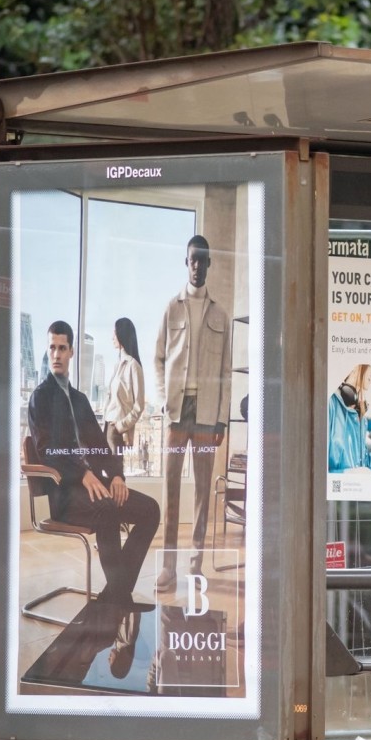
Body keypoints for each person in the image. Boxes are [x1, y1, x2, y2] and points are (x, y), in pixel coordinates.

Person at [29, 320, 160, 603]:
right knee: (106, 510)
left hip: (94, 484)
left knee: (151, 510)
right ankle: (118, 598)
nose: (56, 354)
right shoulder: (40, 398)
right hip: (64, 492)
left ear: (71, 352)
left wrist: (116, 476)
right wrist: (82, 475)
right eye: (52, 347)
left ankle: (115, 594)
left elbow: (101, 446)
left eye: (62, 348)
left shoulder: (80, 400)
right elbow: (47, 451)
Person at [153, 234, 232, 591]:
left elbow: (227, 372)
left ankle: (196, 565)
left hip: (206, 415)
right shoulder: (172, 307)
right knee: (171, 488)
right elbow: (157, 359)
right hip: (176, 411)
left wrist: (222, 419)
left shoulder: (221, 315)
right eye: (192, 260)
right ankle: (168, 567)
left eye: (203, 260)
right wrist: (162, 399)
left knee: (202, 491)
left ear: (210, 263)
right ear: (186, 263)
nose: (198, 266)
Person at [102, 317, 146, 458]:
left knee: (116, 475)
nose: (112, 337)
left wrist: (121, 425)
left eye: (114, 333)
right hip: (107, 427)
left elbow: (139, 405)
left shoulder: (133, 366)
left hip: (118, 431)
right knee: (108, 474)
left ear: (121, 334)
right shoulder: (117, 365)